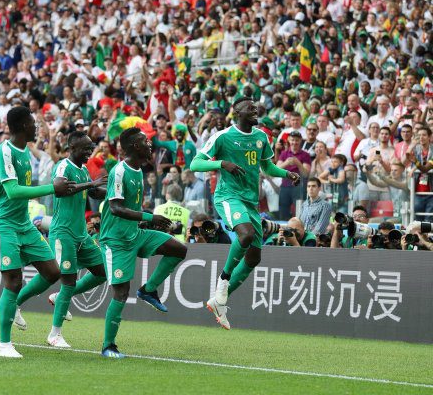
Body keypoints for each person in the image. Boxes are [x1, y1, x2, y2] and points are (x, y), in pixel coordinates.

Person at [190, 97, 300, 329]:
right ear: (236, 111)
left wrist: (286, 173)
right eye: (249, 107)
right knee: (246, 235)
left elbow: (267, 167)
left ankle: (219, 302)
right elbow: (195, 164)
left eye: (255, 107)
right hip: (228, 197)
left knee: (254, 257)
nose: (255, 110)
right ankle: (223, 280)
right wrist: (221, 164)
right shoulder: (222, 136)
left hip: (251, 202)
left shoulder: (261, 137)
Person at [0, 106, 74, 358]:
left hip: (23, 223)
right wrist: (51, 188)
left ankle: (15, 306)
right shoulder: (4, 150)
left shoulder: (26, 151)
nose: (36, 127)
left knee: (52, 271)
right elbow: (13, 191)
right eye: (33, 123)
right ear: (23, 126)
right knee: (12, 281)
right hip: (3, 224)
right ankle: (4, 345)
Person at [99, 127, 187, 359]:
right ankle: (108, 346)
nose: (151, 145)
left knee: (178, 249)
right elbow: (116, 208)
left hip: (135, 234)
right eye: (146, 141)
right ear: (135, 147)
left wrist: (149, 222)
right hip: (115, 241)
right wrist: (150, 217)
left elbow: (131, 208)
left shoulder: (139, 170)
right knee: (120, 292)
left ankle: (148, 290)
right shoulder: (119, 171)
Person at [44, 131, 107, 348]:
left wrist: (107, 191)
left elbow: (91, 193)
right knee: (69, 281)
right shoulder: (63, 166)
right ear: (72, 148)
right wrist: (91, 185)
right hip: (63, 232)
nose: (90, 151)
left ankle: (58, 297)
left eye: (91, 147)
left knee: (102, 272)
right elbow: (61, 190)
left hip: (81, 233)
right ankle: (54, 334)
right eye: (86, 148)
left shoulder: (83, 169)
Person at [277, 131, 311, 219]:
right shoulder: (284, 153)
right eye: (292, 140)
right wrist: (286, 163)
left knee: (300, 212)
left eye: (297, 140)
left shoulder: (305, 155)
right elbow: (276, 170)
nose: (294, 142)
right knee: (283, 211)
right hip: (285, 186)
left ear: (300, 141)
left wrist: (298, 163)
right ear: (288, 140)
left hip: (299, 186)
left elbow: (305, 174)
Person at [406, 126, 433, 222]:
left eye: (424, 135)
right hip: (417, 191)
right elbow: (405, 161)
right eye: (419, 135)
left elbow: (425, 169)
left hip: (431, 191)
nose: (421, 137)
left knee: (428, 220)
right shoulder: (416, 149)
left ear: (430, 137)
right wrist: (411, 145)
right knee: (417, 220)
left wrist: (415, 163)